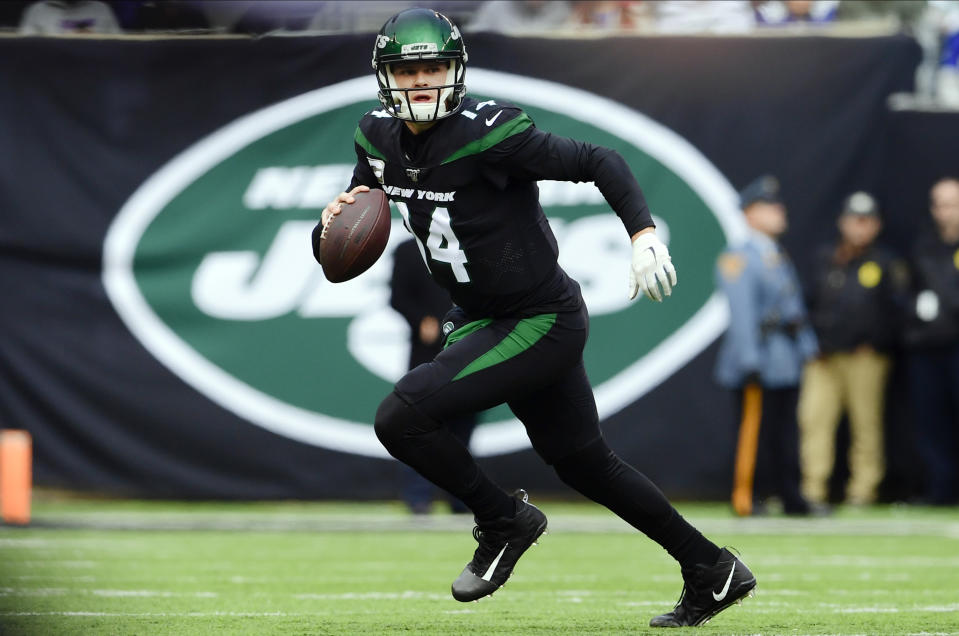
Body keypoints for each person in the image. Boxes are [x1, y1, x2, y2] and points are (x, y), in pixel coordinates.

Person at [313, 8, 756, 627]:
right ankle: (712, 570)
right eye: (406, 69)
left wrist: (643, 234)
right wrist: (327, 225)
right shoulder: (375, 137)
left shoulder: (490, 132)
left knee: (402, 415)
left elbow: (601, 160)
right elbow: (342, 247)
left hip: (538, 317)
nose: (419, 81)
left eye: (432, 66)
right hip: (477, 315)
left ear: (455, 69)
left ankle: (503, 520)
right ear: (385, 76)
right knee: (584, 464)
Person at [714, 176, 818, 517]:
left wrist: (806, 345)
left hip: (783, 356)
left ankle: (791, 496)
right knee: (754, 432)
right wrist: (749, 359)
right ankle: (747, 496)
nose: (779, 211)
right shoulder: (739, 258)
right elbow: (742, 314)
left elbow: (792, 309)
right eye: (770, 207)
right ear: (750, 214)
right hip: (760, 355)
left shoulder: (775, 254)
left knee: (785, 431)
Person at [798, 192, 907, 507]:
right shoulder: (824, 257)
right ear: (842, 222)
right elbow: (807, 302)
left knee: (866, 424)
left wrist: (876, 341)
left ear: (876, 225)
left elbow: (898, 310)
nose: (860, 228)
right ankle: (812, 489)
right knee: (814, 421)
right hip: (823, 357)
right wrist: (812, 342)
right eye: (855, 220)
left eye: (867, 221)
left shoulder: (886, 263)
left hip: (866, 358)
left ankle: (863, 489)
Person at [390, 238, 477, 514]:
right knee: (418, 425)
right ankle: (418, 498)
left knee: (462, 431)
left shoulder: (471, 244)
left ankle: (462, 499)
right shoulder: (407, 250)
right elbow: (397, 297)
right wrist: (419, 320)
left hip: (469, 350)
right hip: (427, 354)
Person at [903, 176, 959, 505]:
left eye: (951, 203)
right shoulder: (923, 244)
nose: (944, 211)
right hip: (927, 346)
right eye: (939, 204)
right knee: (931, 422)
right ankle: (940, 489)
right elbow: (906, 293)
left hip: (957, 344)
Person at [19, 0, 120, 34]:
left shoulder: (101, 9)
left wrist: (95, 43)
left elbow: (119, 51)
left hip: (95, 75)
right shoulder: (37, 11)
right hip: (49, 77)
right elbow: (26, 54)